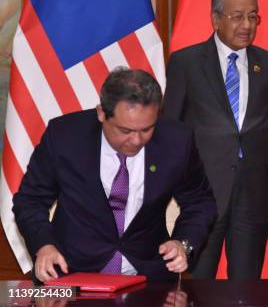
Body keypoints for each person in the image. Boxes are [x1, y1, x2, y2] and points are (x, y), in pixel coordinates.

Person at [13, 68, 217, 282]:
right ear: (102, 113)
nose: (137, 140)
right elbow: (30, 200)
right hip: (71, 271)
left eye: (147, 129)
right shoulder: (64, 136)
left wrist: (183, 244)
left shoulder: (177, 141)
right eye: (125, 131)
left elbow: (200, 202)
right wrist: (44, 246)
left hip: (147, 277)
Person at [164, 0, 268, 279]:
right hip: (203, 192)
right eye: (237, 16)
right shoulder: (186, 62)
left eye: (253, 17)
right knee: (198, 282)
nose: (246, 25)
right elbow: (171, 126)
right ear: (216, 19)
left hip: (253, 192)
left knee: (247, 285)